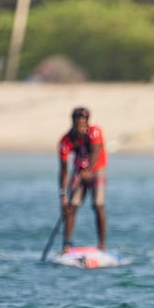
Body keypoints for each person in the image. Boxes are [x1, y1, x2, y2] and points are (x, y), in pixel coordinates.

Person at [57, 106, 107, 251]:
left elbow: (95, 152)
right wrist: (63, 195)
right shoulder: (66, 141)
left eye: (84, 120)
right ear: (72, 121)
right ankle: (66, 245)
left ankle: (101, 246)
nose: (81, 124)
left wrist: (89, 169)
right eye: (78, 120)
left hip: (98, 169)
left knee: (98, 205)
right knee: (71, 206)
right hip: (79, 171)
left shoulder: (94, 131)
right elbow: (64, 170)